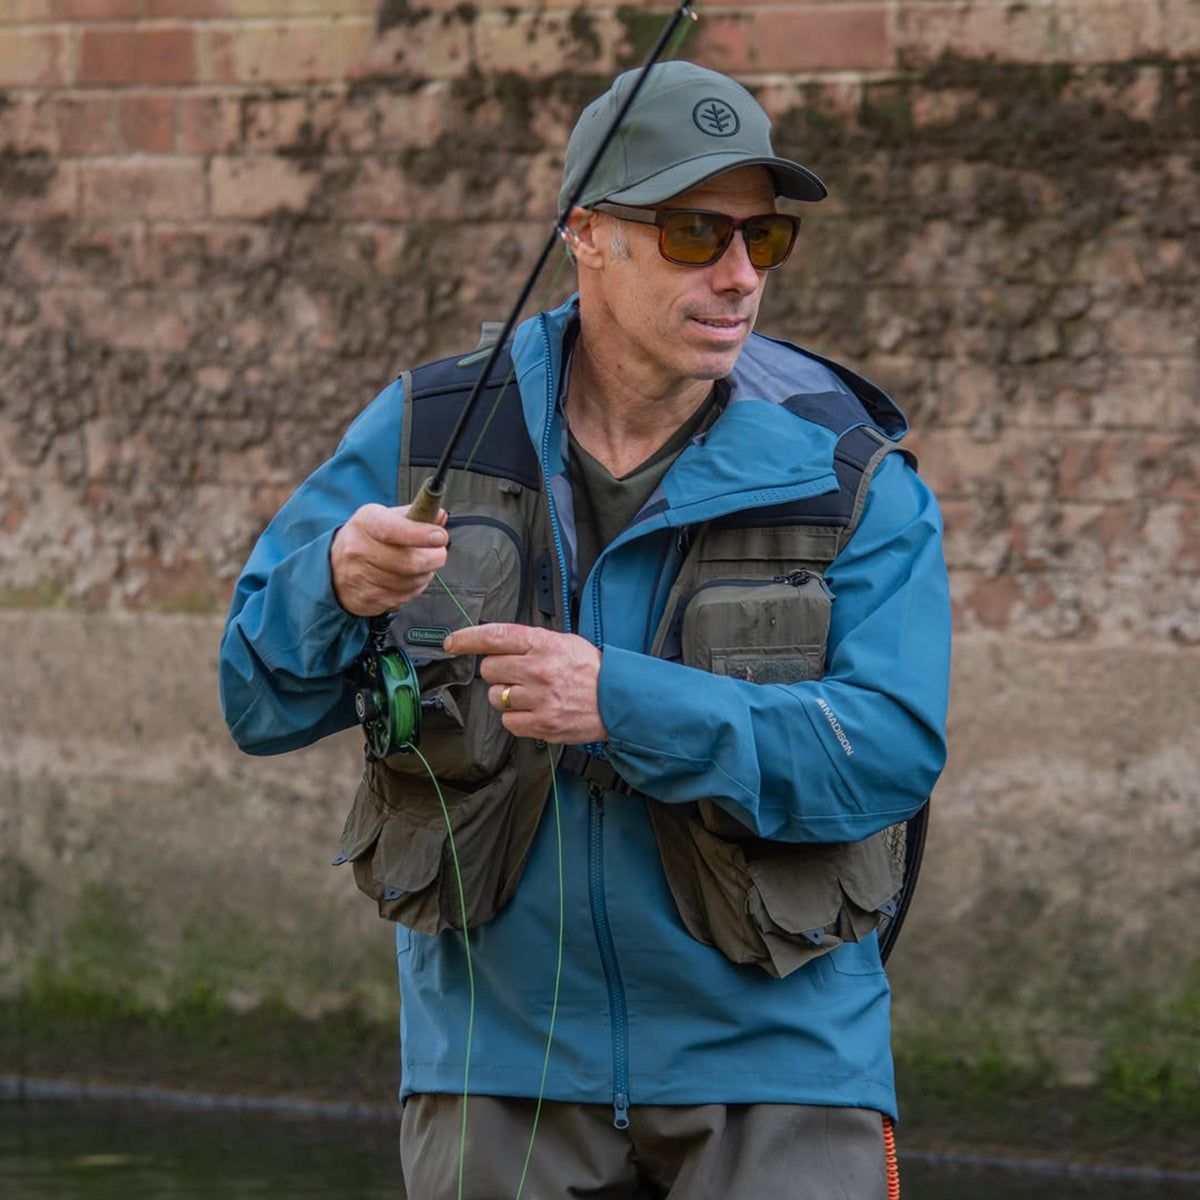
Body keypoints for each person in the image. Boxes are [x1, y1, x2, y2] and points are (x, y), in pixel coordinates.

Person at [220, 60, 951, 1200]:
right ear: (585, 232)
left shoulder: (850, 469)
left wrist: (621, 702)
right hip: (494, 1077)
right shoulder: (425, 431)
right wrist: (334, 582)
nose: (740, 275)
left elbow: (891, 750)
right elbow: (254, 701)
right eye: (694, 232)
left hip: (784, 1074)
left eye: (765, 237)